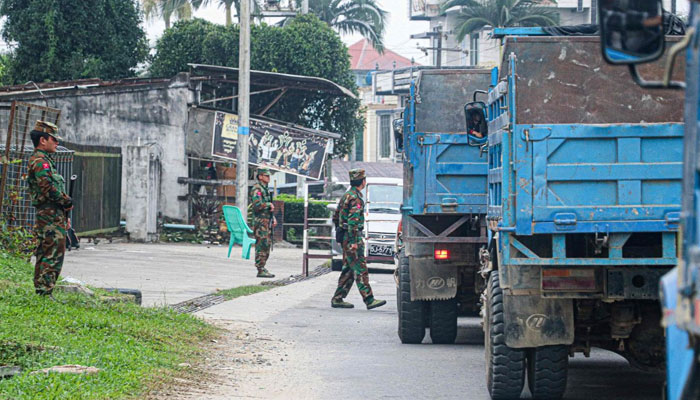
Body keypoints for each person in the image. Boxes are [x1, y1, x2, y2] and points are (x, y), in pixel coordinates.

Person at [27, 120, 72, 298]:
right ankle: (44, 291)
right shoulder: (40, 162)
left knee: (50, 251)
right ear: (42, 140)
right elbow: (48, 188)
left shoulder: (46, 161)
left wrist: (65, 211)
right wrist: (66, 200)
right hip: (49, 215)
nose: (57, 143)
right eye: (54, 139)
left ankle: (44, 290)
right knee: (52, 252)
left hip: (55, 214)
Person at [331, 169, 386, 310]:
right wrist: (353, 241)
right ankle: (369, 299)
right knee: (361, 268)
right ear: (363, 181)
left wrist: (340, 235)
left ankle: (338, 298)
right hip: (352, 238)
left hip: (346, 237)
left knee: (349, 270)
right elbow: (353, 221)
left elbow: (336, 217)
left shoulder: (346, 196)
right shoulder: (355, 198)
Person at [250, 168, 276, 278]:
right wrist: (268, 205)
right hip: (260, 222)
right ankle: (260, 268)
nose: (268, 178)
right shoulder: (257, 189)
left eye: (269, 176)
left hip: (266, 221)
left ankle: (263, 267)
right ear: (260, 176)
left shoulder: (265, 189)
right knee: (261, 244)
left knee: (267, 244)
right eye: (266, 176)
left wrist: (272, 217)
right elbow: (257, 205)